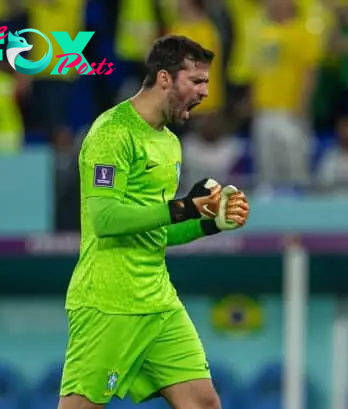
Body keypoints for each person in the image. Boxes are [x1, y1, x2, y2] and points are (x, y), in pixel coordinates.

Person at [58, 35, 251, 409]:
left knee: (203, 402)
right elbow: (106, 219)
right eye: (196, 81)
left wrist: (210, 222)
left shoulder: (169, 143)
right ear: (165, 78)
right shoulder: (112, 132)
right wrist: (186, 207)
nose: (206, 92)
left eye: (207, 82)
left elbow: (156, 231)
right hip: (108, 303)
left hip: (158, 302)